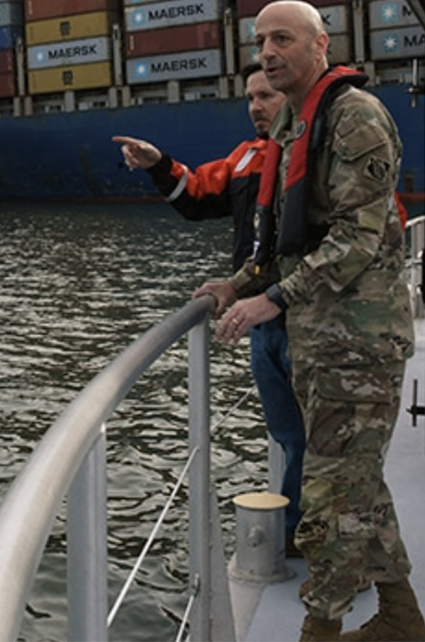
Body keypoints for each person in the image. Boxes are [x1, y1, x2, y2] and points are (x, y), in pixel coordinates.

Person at [194, 0, 425, 642]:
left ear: (321, 45)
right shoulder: (294, 125)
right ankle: (402, 621)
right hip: (321, 343)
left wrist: (275, 298)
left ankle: (320, 629)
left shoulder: (354, 118)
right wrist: (239, 283)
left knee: (327, 494)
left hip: (359, 343)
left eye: (283, 39)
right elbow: (289, 241)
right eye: (260, 41)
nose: (267, 52)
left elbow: (357, 237)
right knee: (358, 483)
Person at [111, 63, 307, 556]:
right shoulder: (246, 158)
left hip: (311, 319)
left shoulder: (320, 150)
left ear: (291, 93)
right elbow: (197, 194)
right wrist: (158, 163)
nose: (256, 107)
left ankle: (310, 534)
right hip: (261, 323)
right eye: (250, 98)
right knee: (287, 432)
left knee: (319, 436)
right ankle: (299, 530)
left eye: (266, 96)